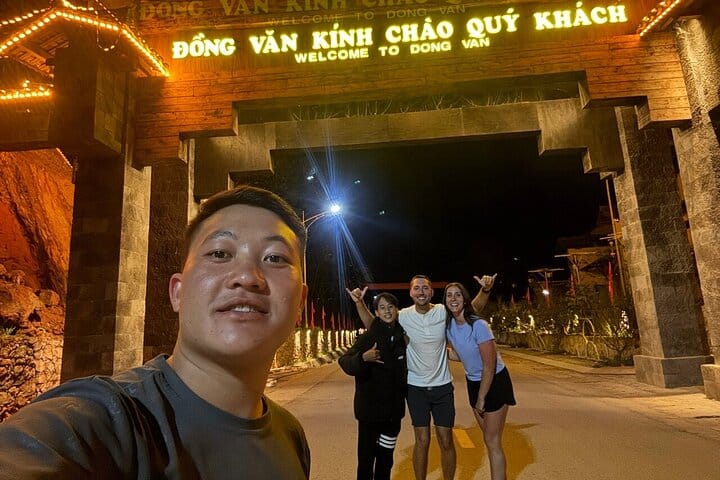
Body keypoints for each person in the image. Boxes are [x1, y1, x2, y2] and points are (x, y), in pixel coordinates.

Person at [0, 185, 311, 479]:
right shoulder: (109, 420)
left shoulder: (290, 436)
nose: (247, 276)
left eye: (275, 258)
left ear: (300, 303)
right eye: (219, 253)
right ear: (177, 293)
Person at [347, 273, 495, 480]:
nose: (421, 292)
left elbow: (472, 308)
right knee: (422, 440)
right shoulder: (403, 316)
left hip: (443, 387)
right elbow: (375, 324)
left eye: (425, 287)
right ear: (411, 293)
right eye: (416, 288)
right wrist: (359, 303)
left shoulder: (442, 311)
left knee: (446, 440)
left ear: (432, 292)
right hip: (415, 388)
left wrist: (485, 290)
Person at [444, 282, 516, 480]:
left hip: (494, 382)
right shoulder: (449, 326)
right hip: (473, 382)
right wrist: (438, 353)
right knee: (489, 439)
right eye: (449, 295)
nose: (453, 299)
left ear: (465, 299)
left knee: (492, 441)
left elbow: (489, 366)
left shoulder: (478, 325)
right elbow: (462, 356)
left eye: (458, 294)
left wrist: (482, 397)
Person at [339, 292, 407, 480]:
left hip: (392, 416)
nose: (387, 311)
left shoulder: (402, 336)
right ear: (376, 313)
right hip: (369, 415)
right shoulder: (369, 337)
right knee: (366, 461)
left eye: (391, 307)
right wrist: (363, 358)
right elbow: (344, 361)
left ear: (397, 310)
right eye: (382, 308)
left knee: (386, 459)